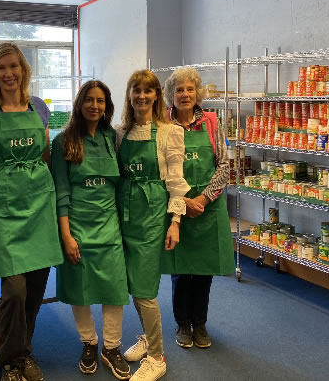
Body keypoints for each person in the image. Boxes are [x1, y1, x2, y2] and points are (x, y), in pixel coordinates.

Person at [0, 42, 64, 381]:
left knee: (36, 287)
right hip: (5, 207)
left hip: (39, 202)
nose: (8, 73)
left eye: (14, 66)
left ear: (23, 69)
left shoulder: (39, 107)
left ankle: (24, 351)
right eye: (1, 68)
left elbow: (45, 157)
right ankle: (11, 359)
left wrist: (55, 206)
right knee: (14, 290)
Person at [51, 81, 131, 380]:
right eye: (89, 100)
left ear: (107, 105)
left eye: (100, 101)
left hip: (109, 225)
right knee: (80, 290)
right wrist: (66, 235)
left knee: (114, 289)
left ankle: (111, 347)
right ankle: (89, 342)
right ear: (79, 103)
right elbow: (60, 191)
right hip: (77, 227)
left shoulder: (113, 137)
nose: (94, 106)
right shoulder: (62, 142)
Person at [115, 70, 189, 381]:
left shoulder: (170, 131)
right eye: (136, 90)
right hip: (124, 213)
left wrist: (175, 221)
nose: (142, 96)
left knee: (144, 289)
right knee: (133, 283)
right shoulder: (120, 133)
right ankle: (148, 337)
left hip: (151, 215)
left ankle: (157, 356)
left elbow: (176, 180)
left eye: (148, 91)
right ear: (129, 95)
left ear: (157, 95)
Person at [160, 66, 235, 349]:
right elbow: (162, 169)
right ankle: (182, 324)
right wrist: (183, 202)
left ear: (197, 92)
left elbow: (225, 165)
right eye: (179, 90)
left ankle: (200, 324)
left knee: (203, 271)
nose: (185, 94)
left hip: (208, 208)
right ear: (171, 95)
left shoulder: (213, 122)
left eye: (190, 89)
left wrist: (203, 199)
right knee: (180, 272)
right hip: (176, 207)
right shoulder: (163, 125)